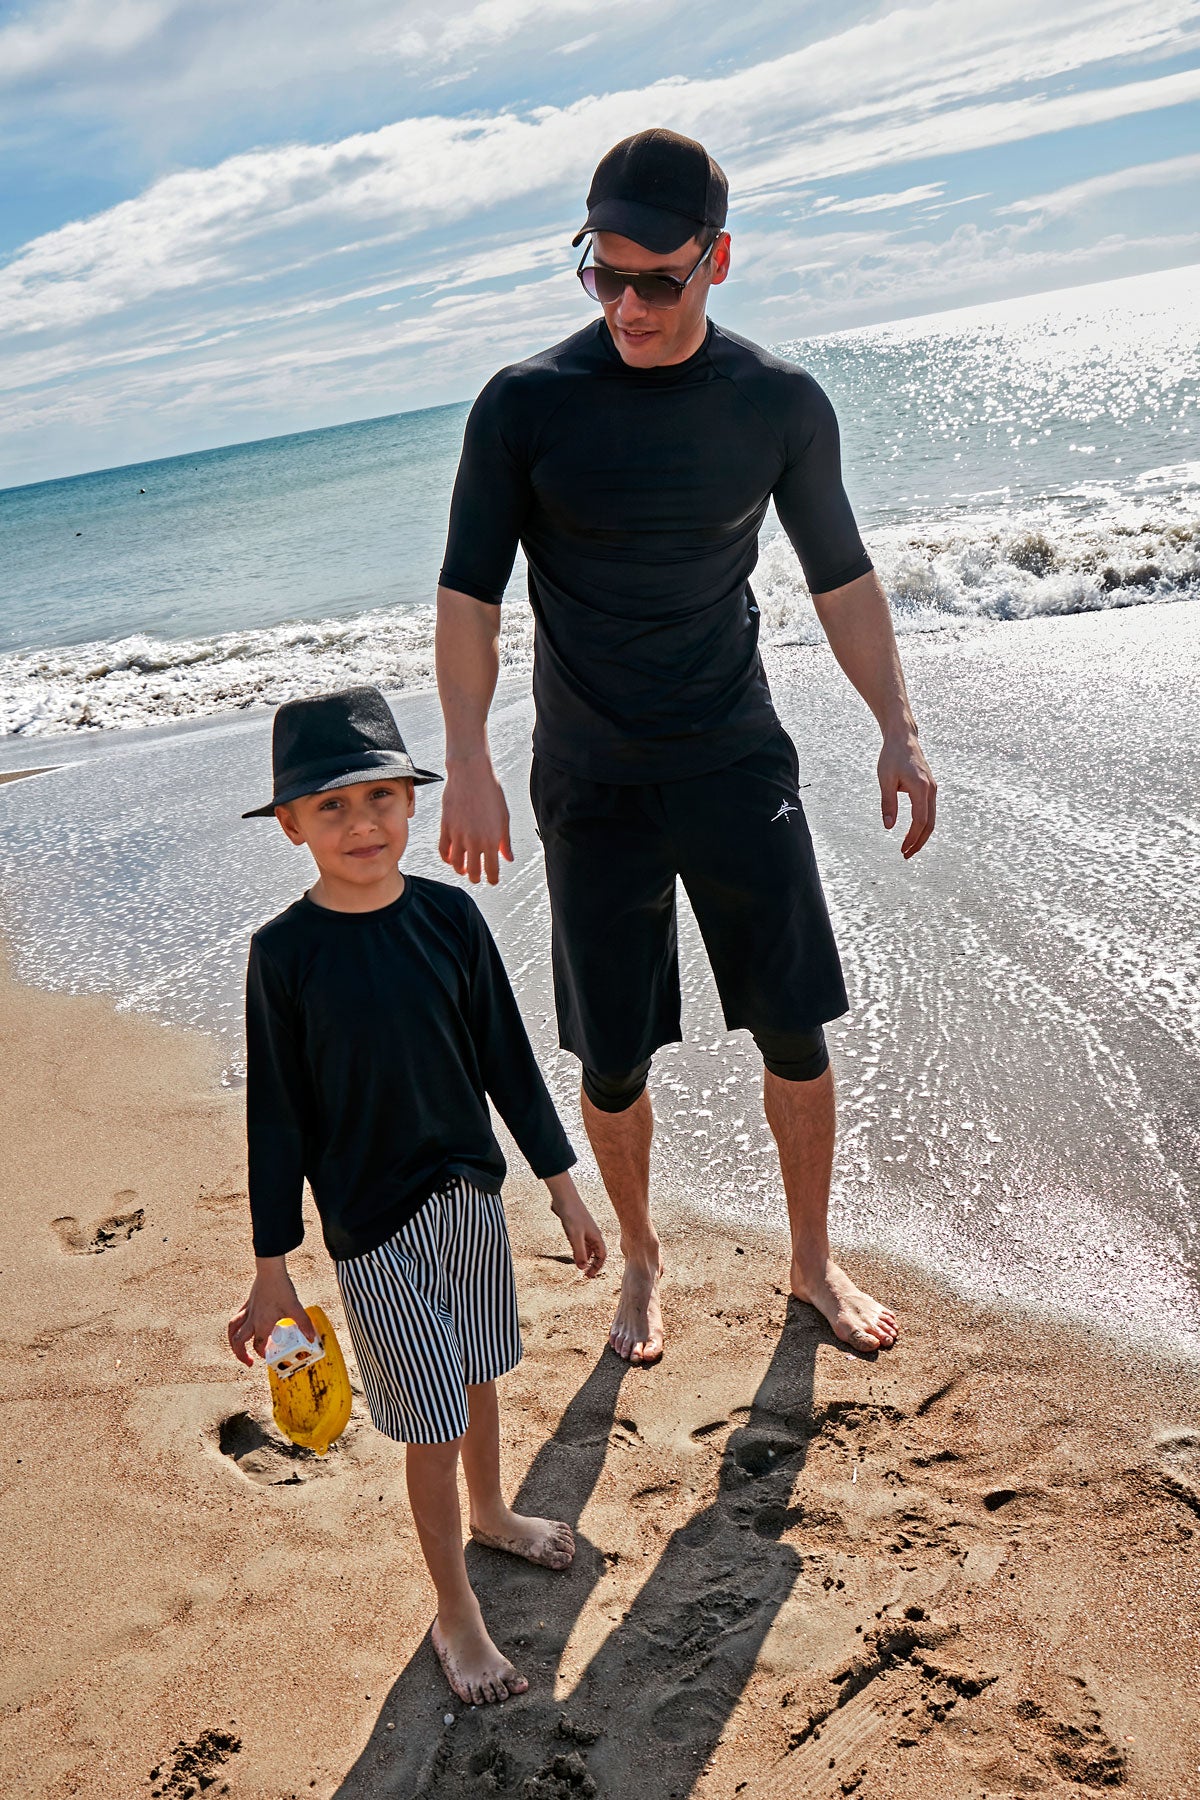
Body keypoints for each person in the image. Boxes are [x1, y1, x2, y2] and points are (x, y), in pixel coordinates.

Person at [435, 128, 937, 1366]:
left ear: (718, 258)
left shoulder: (777, 402)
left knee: (795, 1030)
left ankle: (809, 1259)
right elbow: (468, 598)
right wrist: (469, 758)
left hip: (733, 761)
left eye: (658, 280)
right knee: (611, 1061)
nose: (629, 306)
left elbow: (842, 578)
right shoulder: (523, 406)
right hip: (592, 782)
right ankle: (643, 1258)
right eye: (604, 276)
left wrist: (899, 728)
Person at [227, 685, 607, 1706]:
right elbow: (277, 1120)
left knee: (478, 1373)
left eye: (381, 798)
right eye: (333, 806)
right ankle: (455, 1611)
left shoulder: (450, 917)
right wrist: (272, 1269)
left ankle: (492, 1513)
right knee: (431, 1423)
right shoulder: (284, 955)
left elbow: (509, 1063)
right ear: (293, 825)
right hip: (371, 1229)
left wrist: (563, 1188)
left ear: (410, 802)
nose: (363, 824)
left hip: (469, 1200)